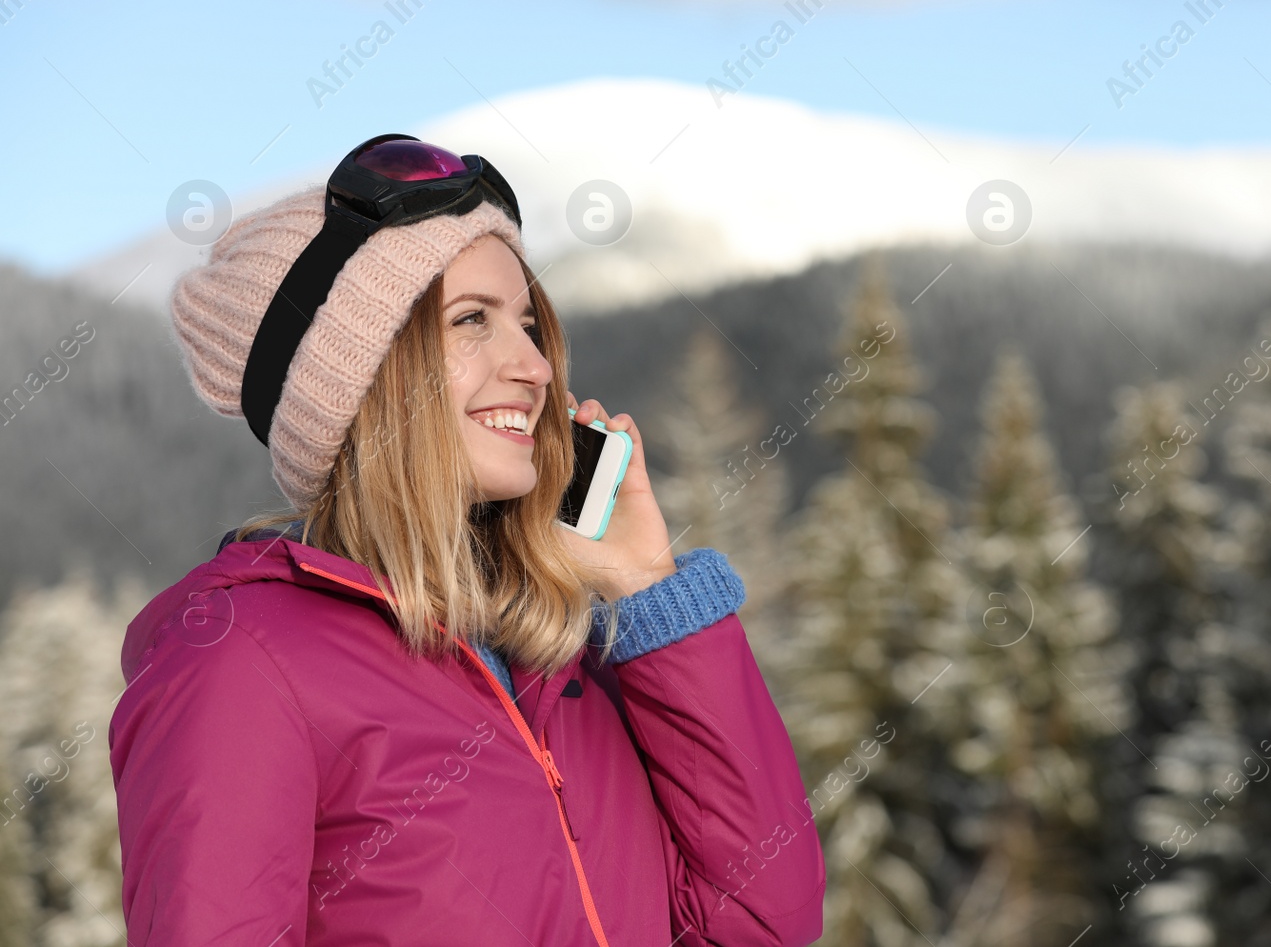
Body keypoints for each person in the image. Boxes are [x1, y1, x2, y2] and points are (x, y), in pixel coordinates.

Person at [108, 135, 826, 945]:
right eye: (472, 320)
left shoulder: (560, 660)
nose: (535, 366)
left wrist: (647, 587)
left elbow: (763, 922)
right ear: (363, 385)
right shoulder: (239, 665)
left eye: (527, 323)